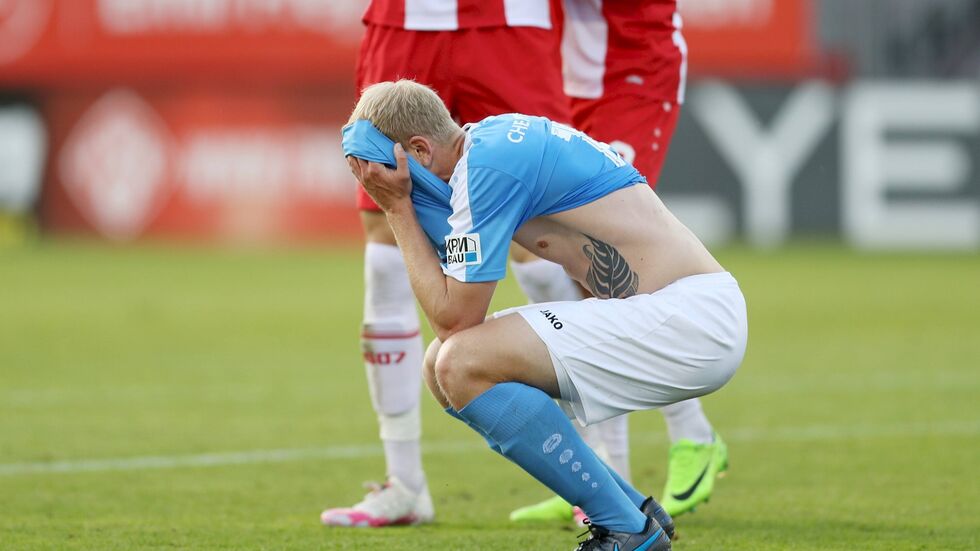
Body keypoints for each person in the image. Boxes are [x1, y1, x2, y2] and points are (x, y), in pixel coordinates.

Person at [342, 80, 747, 551]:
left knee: (460, 361)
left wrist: (396, 209)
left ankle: (628, 532)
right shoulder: (487, 149)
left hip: (690, 319)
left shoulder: (486, 168)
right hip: (680, 312)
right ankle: (633, 510)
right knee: (440, 365)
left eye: (376, 166)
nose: (371, 179)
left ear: (418, 149)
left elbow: (455, 317)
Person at [319, 0, 571, 528]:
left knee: (547, 243)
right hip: (403, 23)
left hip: (512, 24)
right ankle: (404, 483)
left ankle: (604, 469)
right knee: (384, 253)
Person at [510, 0, 728, 523]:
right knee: (534, 246)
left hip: (634, 76)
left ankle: (690, 436)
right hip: (560, 81)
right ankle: (603, 474)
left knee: (604, 256)